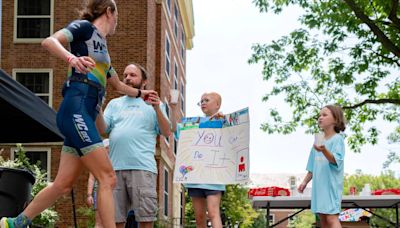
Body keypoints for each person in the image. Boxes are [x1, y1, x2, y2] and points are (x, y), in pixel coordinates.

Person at [1, 1, 155, 227]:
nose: (117, 23)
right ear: (109, 11)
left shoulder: (104, 51)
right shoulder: (84, 28)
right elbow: (50, 41)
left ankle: (15, 223)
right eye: (117, 16)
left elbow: (119, 86)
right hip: (76, 110)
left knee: (63, 184)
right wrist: (72, 59)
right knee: (108, 178)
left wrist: (142, 93)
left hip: (83, 115)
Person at [96, 63, 171, 228]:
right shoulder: (114, 104)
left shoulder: (154, 104)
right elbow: (102, 129)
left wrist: (157, 108)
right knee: (116, 222)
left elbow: (166, 131)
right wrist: (98, 108)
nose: (128, 78)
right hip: (114, 169)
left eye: (132, 75)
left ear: (144, 81)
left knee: (145, 221)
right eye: (125, 75)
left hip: (143, 168)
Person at [172, 92, 225, 228]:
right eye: (201, 101)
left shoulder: (223, 122)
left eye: (206, 100)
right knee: (199, 217)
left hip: (214, 178)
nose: (203, 103)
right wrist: (172, 108)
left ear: (217, 105)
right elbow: (175, 130)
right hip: (195, 177)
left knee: (213, 213)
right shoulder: (192, 125)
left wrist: (224, 121)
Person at [298, 105, 346, 228]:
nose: (320, 117)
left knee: (331, 217)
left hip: (330, 186)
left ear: (336, 119)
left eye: (325, 115)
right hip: (318, 187)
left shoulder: (338, 139)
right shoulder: (317, 141)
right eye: (319, 115)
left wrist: (323, 149)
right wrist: (304, 182)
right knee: (323, 218)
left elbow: (336, 160)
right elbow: (312, 167)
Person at [86, 139, 110, 228]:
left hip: (115, 192)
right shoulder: (96, 161)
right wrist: (89, 195)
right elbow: (91, 178)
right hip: (99, 192)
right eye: (107, 148)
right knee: (99, 222)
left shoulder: (116, 160)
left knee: (114, 221)